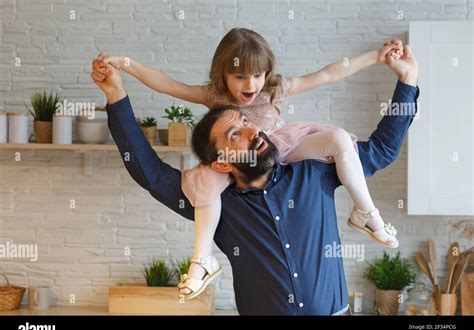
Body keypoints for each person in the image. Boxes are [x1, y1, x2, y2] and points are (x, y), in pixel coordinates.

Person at [91, 42, 419, 315]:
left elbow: (381, 151)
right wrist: (116, 94)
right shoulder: (216, 204)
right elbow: (150, 173)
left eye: (249, 123)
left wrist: (407, 79)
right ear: (219, 164)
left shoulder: (315, 171)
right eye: (235, 133)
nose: (253, 129)